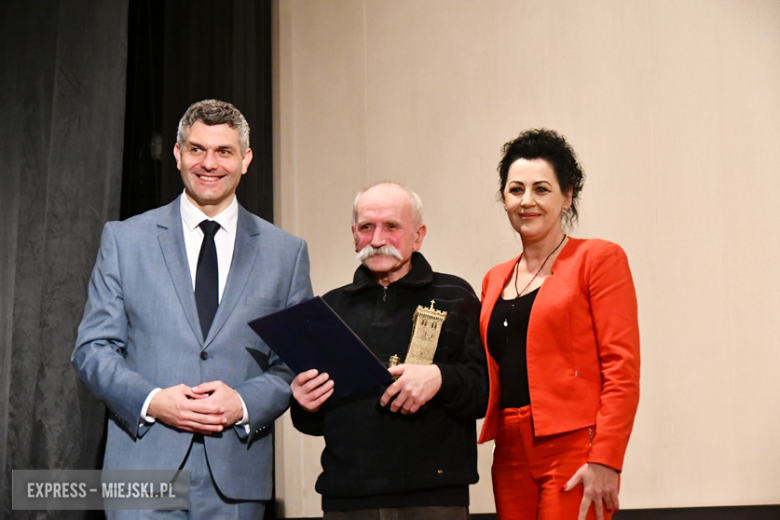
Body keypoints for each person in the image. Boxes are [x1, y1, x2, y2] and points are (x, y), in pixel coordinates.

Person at [71, 99, 313, 519]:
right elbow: (92, 350)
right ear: (178, 154)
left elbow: (294, 364)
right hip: (142, 470)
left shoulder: (285, 253)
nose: (209, 163)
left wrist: (243, 402)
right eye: (197, 149)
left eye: (224, 151)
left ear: (246, 159)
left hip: (236, 479)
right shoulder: (124, 241)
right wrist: (152, 400)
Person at [290, 181, 489, 519]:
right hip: (347, 500)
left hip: (434, 500)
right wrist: (302, 402)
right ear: (354, 234)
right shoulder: (330, 309)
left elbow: (483, 393)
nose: (377, 239)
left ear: (418, 235)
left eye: (391, 226)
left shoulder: (456, 295)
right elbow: (314, 423)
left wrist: (440, 378)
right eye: (366, 227)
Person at [479, 129, 640, 520]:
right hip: (509, 451)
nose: (527, 201)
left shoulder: (598, 259)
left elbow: (622, 370)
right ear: (504, 198)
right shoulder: (493, 278)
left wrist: (606, 459)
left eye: (541, 189)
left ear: (567, 196)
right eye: (516, 190)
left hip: (574, 448)